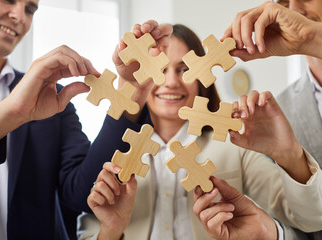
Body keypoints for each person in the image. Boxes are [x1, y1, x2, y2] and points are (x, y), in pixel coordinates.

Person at [77, 24, 322, 240]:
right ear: (142, 78)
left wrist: (289, 153)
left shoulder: (236, 149)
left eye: (183, 69)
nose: (171, 81)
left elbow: (311, 219)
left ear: (202, 78)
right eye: (160, 70)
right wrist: (110, 231)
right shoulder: (112, 152)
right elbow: (85, 230)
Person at [0, 0, 173, 239]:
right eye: (9, 0)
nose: (20, 15)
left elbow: (83, 191)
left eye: (30, 9)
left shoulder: (50, 96)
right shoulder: (33, 95)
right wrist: (10, 113)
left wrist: (131, 91)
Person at [221, 1, 322, 239]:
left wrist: (311, 36)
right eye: (285, 2)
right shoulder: (277, 114)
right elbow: (304, 229)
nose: (294, 8)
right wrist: (271, 232)